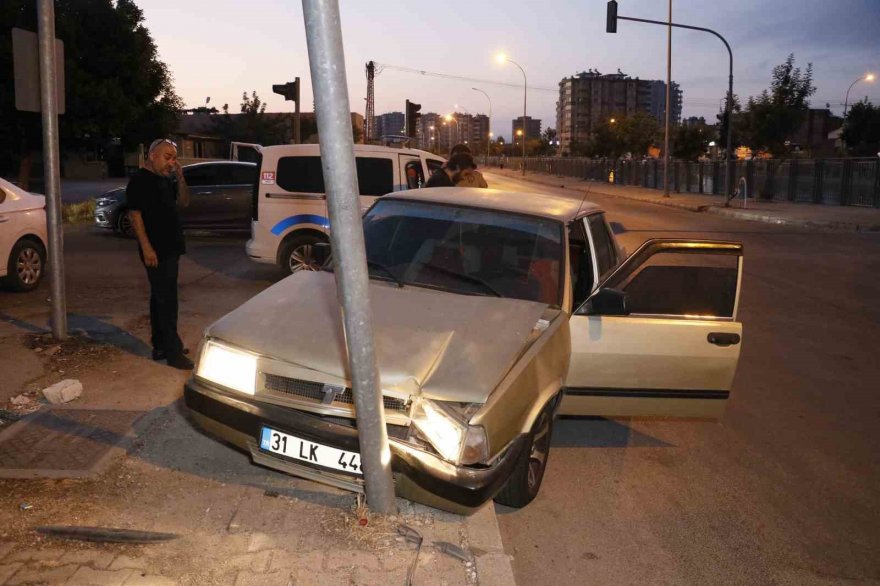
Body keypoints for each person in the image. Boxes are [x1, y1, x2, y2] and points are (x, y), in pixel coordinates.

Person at [127, 139, 193, 370]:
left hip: (172, 246)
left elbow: (183, 202)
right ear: (152, 155)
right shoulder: (139, 181)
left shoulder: (166, 179)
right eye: (167, 157)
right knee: (167, 300)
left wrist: (181, 178)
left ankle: (160, 344)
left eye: (174, 158)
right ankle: (173, 352)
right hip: (155, 249)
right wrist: (146, 247)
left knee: (160, 297)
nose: (171, 162)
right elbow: (135, 216)